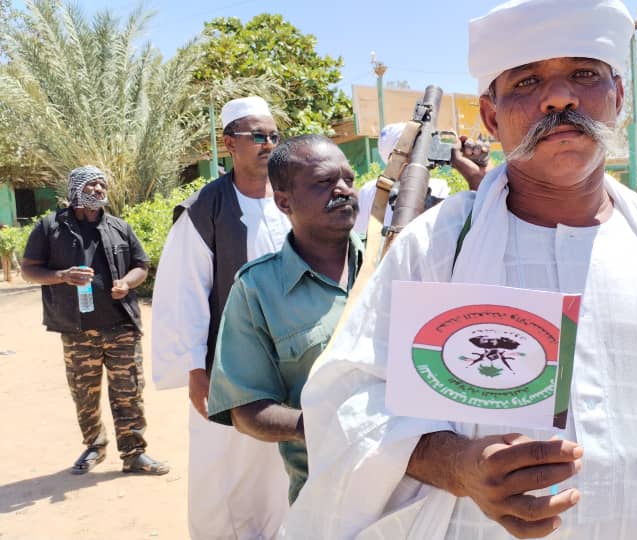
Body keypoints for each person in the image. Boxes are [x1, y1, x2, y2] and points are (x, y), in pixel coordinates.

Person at [285, 1, 637, 539]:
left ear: (618, 97)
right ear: (491, 117)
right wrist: (456, 465)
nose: (559, 97)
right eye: (527, 81)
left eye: (583, 74)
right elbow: (347, 402)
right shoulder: (437, 249)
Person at [151, 96, 289, 539]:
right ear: (229, 143)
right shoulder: (205, 209)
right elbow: (184, 294)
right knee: (222, 466)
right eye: (257, 136)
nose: (268, 144)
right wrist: (195, 369)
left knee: (282, 465)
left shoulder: (292, 198)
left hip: (288, 364)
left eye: (274, 135)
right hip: (227, 366)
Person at [207, 135, 363, 505]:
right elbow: (247, 410)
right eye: (324, 182)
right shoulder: (257, 289)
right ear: (283, 201)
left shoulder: (393, 260)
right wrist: (321, 427)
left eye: (348, 179)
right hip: (326, 498)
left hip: (419, 489)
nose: (343, 190)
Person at [21, 166, 168, 476]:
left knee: (129, 392)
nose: (100, 189)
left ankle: (134, 454)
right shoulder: (50, 227)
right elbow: (29, 269)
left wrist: (127, 282)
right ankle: (94, 446)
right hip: (76, 330)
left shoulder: (119, 227)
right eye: (92, 184)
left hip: (121, 326)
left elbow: (141, 265)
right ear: (76, 189)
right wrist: (62, 276)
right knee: (84, 394)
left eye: (103, 185)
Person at [352, 123, 490, 237]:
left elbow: (480, 220)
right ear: (392, 158)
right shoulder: (370, 193)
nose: (423, 152)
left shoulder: (438, 188)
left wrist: (476, 173)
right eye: (414, 146)